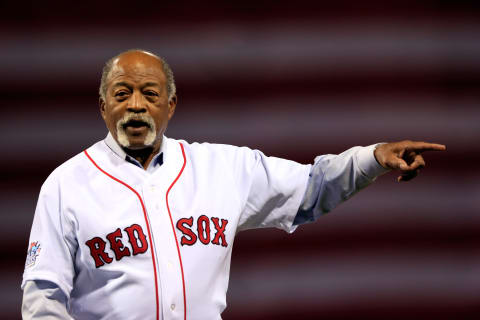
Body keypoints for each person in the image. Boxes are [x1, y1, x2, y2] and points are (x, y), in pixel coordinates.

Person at [21, 49, 446, 320]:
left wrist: (370, 159)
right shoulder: (66, 185)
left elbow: (312, 187)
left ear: (171, 105)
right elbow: (43, 297)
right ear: (102, 106)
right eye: (122, 93)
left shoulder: (221, 167)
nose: (136, 105)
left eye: (149, 93)